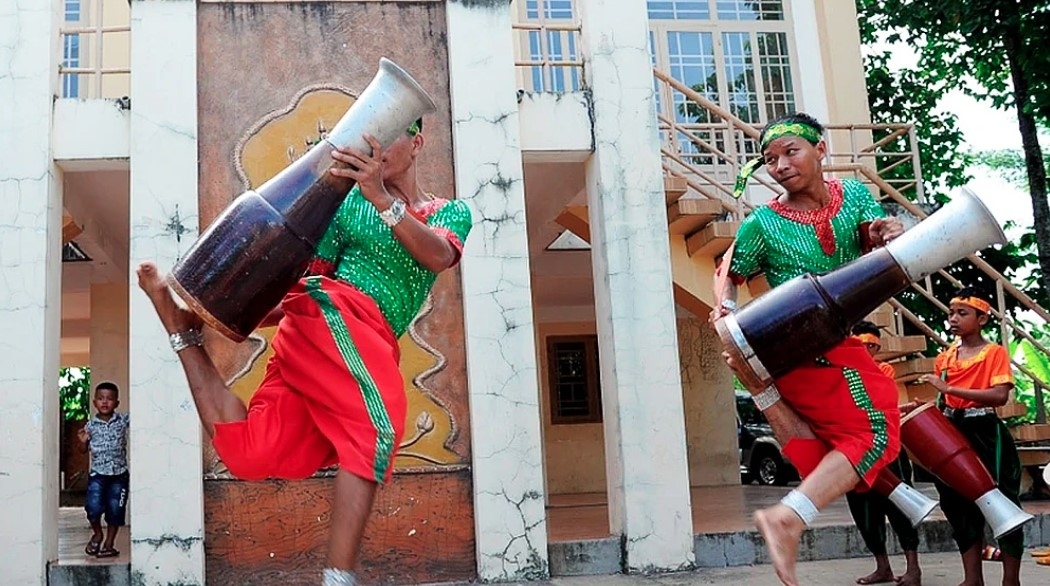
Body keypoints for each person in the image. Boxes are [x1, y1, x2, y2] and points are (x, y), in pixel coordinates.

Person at [137, 117, 472, 586]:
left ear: (416, 143)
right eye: (370, 131)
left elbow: (438, 256)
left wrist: (382, 199)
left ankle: (183, 334)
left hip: (363, 345)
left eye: (389, 131)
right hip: (334, 316)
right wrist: (233, 310)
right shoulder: (349, 203)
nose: (374, 142)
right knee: (379, 426)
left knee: (253, 454)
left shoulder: (447, 212)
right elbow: (309, 277)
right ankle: (338, 580)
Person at [714, 112, 906, 586]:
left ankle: (790, 515)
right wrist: (727, 319)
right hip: (791, 338)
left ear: (821, 150)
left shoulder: (855, 196)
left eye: (789, 152)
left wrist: (886, 231)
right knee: (877, 430)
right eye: (769, 159)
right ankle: (788, 518)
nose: (778, 166)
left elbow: (870, 233)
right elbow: (728, 272)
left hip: (836, 334)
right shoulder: (763, 222)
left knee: (831, 452)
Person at [913, 287, 1023, 586]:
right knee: (956, 503)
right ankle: (972, 579)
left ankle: (1010, 580)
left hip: (986, 432)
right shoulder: (945, 357)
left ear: (982, 318)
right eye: (951, 312)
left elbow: (999, 396)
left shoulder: (994, 353)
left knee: (1002, 502)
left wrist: (949, 390)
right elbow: (943, 403)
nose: (954, 318)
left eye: (962, 313)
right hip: (952, 432)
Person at [846, 321, 922, 586]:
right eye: (862, 345)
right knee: (863, 509)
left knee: (900, 504)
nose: (868, 350)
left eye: (873, 346)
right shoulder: (839, 373)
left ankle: (913, 568)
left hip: (887, 447)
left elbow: (877, 405)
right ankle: (883, 568)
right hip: (854, 449)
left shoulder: (883, 370)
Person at [78, 381, 130, 559]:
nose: (105, 402)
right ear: (94, 403)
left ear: (116, 403)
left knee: (115, 510)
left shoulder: (123, 420)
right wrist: (83, 442)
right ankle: (97, 534)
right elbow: (83, 451)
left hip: (119, 475)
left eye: (109, 399)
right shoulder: (90, 426)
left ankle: (109, 544)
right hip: (98, 475)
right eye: (101, 399)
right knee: (92, 508)